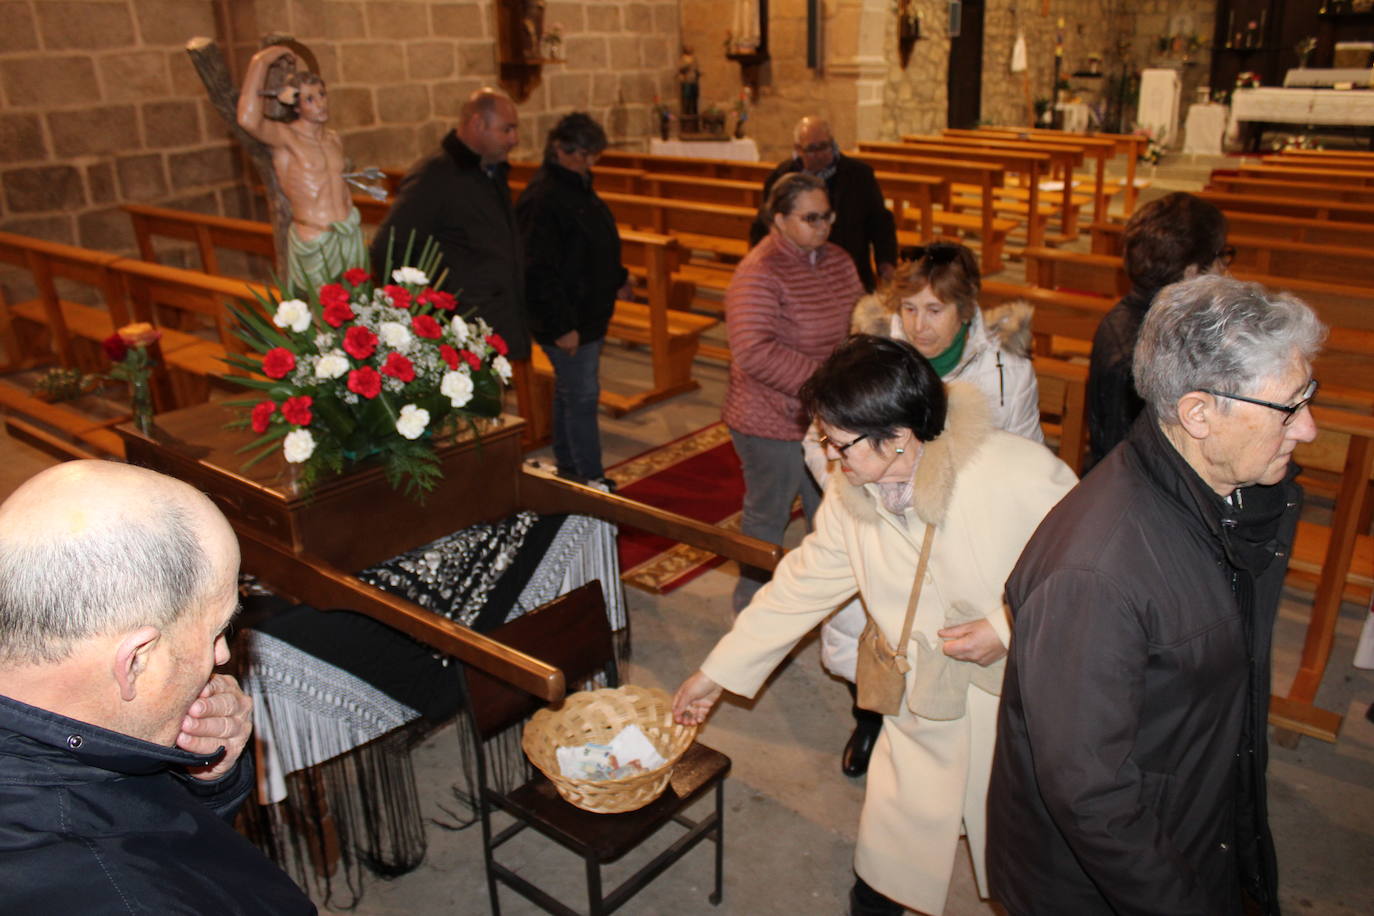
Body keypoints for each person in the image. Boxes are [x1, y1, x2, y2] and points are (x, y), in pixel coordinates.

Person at [676, 335, 1076, 916]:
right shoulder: (854, 495)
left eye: (840, 444)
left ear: (897, 436)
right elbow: (801, 585)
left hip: (1014, 707)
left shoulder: (1016, 473)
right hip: (920, 703)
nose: (830, 460)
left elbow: (1090, 575)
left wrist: (1006, 625)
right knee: (890, 861)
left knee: (1026, 861)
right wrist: (716, 673)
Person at [988, 275, 1324, 916]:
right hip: (1107, 889)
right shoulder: (1095, 574)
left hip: (1202, 823)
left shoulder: (1236, 495)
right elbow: (1091, 795)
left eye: (1308, 395)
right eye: (1288, 407)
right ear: (1199, 413)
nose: (1308, 428)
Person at [0, 461, 316, 913]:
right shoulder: (122, 894)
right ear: (135, 661)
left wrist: (203, 779)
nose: (222, 656)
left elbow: (149, 833)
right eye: (216, 631)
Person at [807, 240, 1043, 778]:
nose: (919, 325)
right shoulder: (869, 357)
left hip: (961, 530)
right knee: (875, 633)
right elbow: (818, 441)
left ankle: (953, 747)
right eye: (908, 309)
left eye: (935, 310)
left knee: (946, 646)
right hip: (877, 515)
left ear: (966, 310)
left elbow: (1026, 455)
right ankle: (869, 719)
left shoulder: (1006, 372)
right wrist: (858, 487)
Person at [724, 172, 863, 612]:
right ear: (780, 219)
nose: (823, 226)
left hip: (828, 415)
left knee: (827, 513)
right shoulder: (759, 271)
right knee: (769, 514)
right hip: (772, 419)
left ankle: (815, 602)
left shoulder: (838, 259)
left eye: (828, 216)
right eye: (811, 218)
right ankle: (751, 604)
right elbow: (753, 350)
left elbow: (861, 320)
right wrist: (825, 381)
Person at [371, 87, 530, 361]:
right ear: (478, 124)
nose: (514, 139)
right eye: (507, 129)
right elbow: (389, 247)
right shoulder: (435, 175)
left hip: (497, 320)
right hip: (462, 329)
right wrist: (428, 314)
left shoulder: (489, 170)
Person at [515, 112, 631, 487]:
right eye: (580, 154)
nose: (588, 163)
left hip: (587, 312)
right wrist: (561, 326)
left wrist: (618, 278)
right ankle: (590, 478)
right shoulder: (544, 197)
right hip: (567, 319)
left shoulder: (578, 184)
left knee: (570, 393)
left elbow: (594, 242)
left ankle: (569, 469)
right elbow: (537, 270)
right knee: (581, 396)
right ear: (558, 149)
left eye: (592, 155)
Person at [1085, 191, 1229, 467]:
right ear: (1191, 272)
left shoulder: (1163, 323)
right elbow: (1130, 459)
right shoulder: (1143, 350)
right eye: (1220, 259)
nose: (1224, 271)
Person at [237, 44, 366, 295]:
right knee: (321, 317)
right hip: (315, 238)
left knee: (357, 310)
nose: (319, 104)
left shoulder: (333, 139)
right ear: (295, 105)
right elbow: (247, 120)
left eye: (322, 95)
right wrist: (260, 62)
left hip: (348, 233)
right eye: (309, 98)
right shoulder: (286, 138)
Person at [748, 116, 897, 292]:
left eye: (824, 146)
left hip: (850, 271)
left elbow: (880, 223)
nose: (819, 154)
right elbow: (764, 225)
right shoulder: (781, 177)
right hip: (795, 277)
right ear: (798, 149)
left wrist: (885, 263)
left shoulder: (859, 175)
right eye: (811, 149)